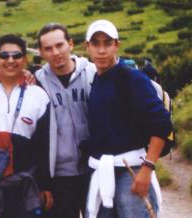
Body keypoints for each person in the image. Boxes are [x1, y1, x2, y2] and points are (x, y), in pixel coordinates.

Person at [84, 19, 173, 218]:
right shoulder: (97, 79)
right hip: (105, 171)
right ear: (87, 47)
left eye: (107, 43)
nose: (101, 50)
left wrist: (147, 168)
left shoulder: (133, 78)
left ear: (117, 45)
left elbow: (162, 123)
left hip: (131, 170)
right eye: (95, 44)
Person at [0, 34, 53, 218]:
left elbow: (44, 147)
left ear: (25, 60)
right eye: (4, 56)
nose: (10, 60)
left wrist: (45, 185)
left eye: (16, 55)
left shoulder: (39, 95)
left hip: (22, 189)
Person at [34, 23, 96, 218]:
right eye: (48, 48)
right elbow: (35, 137)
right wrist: (42, 182)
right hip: (58, 177)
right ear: (41, 52)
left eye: (59, 45)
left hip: (94, 170)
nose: (55, 52)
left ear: (70, 43)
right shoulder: (36, 83)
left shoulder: (94, 73)